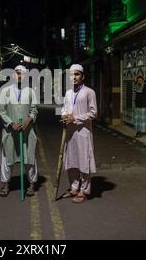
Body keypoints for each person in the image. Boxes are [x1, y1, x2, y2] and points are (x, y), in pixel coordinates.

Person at [0, 65, 39, 197]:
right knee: (7, 158)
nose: (20, 75)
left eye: (22, 73)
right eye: (17, 73)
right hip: (10, 131)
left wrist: (29, 120)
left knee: (29, 157)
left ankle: (31, 184)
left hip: (27, 131)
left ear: (26, 76)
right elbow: (2, 111)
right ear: (13, 75)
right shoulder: (5, 91)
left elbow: (34, 110)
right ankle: (5, 184)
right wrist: (11, 123)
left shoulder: (31, 91)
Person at [61, 64, 97, 204]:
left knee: (84, 161)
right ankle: (74, 187)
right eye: (72, 74)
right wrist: (65, 115)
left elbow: (93, 113)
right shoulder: (69, 93)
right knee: (72, 160)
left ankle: (84, 190)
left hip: (83, 132)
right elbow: (64, 108)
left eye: (77, 74)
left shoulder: (89, 92)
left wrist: (75, 118)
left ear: (83, 76)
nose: (74, 77)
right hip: (70, 132)